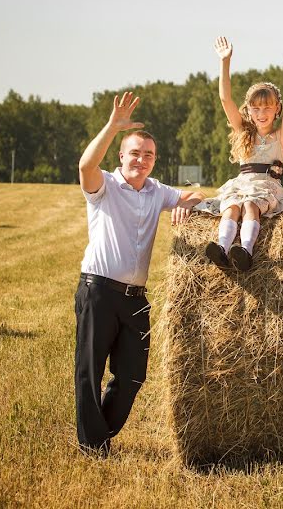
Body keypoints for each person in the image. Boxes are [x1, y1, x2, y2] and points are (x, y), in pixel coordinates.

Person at [75, 91, 205, 457]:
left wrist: (187, 205)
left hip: (134, 298)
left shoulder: (154, 191)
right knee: (89, 370)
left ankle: (99, 433)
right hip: (98, 290)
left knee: (133, 375)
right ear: (120, 156)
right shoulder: (104, 186)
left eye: (148, 155)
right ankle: (93, 446)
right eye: (135, 153)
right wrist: (113, 126)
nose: (142, 160)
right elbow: (85, 166)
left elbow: (193, 195)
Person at [198, 37, 283, 271]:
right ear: (248, 110)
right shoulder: (243, 132)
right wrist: (225, 62)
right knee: (232, 206)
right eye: (256, 108)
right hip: (241, 184)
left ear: (276, 108)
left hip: (265, 186)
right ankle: (222, 249)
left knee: (249, 206)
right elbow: (225, 99)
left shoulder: (280, 137)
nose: (262, 113)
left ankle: (245, 250)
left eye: (267, 107)